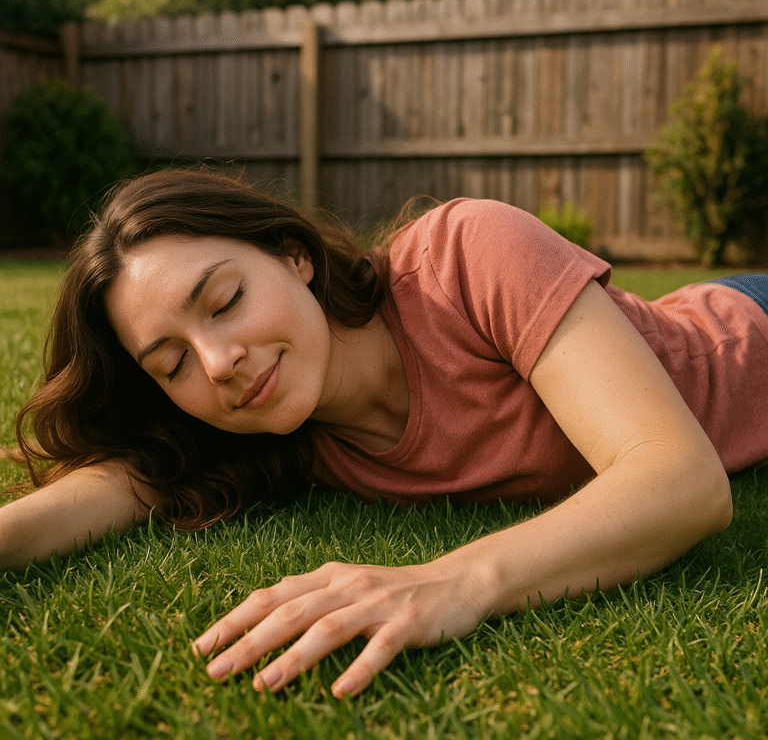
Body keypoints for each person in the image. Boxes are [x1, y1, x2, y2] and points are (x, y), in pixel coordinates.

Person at [2, 167, 765, 701]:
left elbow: (679, 480)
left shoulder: (466, 256)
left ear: (294, 256)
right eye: (172, 364)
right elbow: (128, 478)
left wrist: (454, 581)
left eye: (226, 300)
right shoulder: (274, 429)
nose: (218, 362)